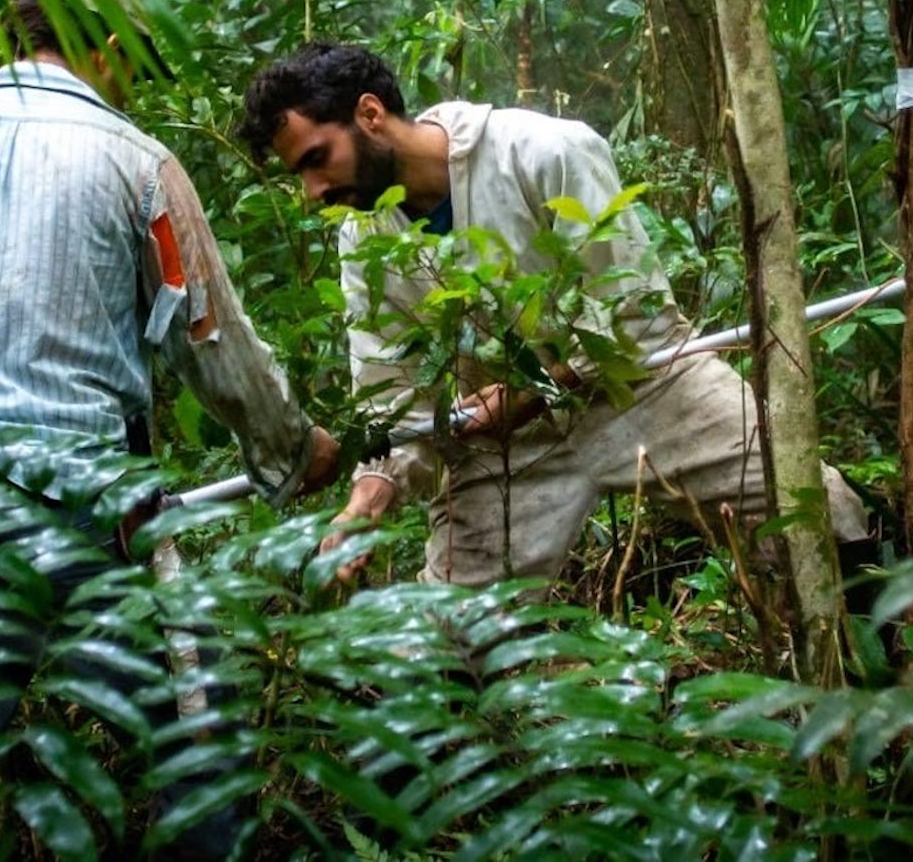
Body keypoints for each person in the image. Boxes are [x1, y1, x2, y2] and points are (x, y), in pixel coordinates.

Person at [0, 0, 338, 861]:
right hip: (69, 502)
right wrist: (294, 453)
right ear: (107, 49)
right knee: (194, 748)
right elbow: (212, 344)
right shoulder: (133, 160)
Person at [235, 42, 867, 592]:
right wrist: (368, 499)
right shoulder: (364, 233)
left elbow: (634, 311)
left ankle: (876, 677)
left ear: (370, 114)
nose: (313, 193)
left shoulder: (543, 152)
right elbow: (390, 392)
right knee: (446, 641)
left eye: (317, 159)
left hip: (642, 384)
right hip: (507, 442)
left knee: (822, 510)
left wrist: (540, 388)